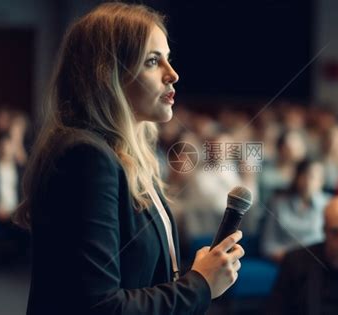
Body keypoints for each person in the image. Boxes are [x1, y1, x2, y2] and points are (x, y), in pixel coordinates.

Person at [14, 3, 244, 314]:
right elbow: (100, 306)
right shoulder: (87, 157)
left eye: (168, 59)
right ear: (107, 74)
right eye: (152, 61)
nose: (173, 74)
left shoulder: (129, 156)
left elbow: (138, 277)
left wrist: (197, 273)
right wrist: (200, 284)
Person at [260, 159, 330, 262]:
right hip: (284, 260)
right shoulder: (277, 203)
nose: (308, 181)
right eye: (304, 175)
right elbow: (268, 244)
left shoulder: (328, 205)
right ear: (297, 177)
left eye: (313, 177)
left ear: (321, 181)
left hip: (316, 262)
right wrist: (291, 258)